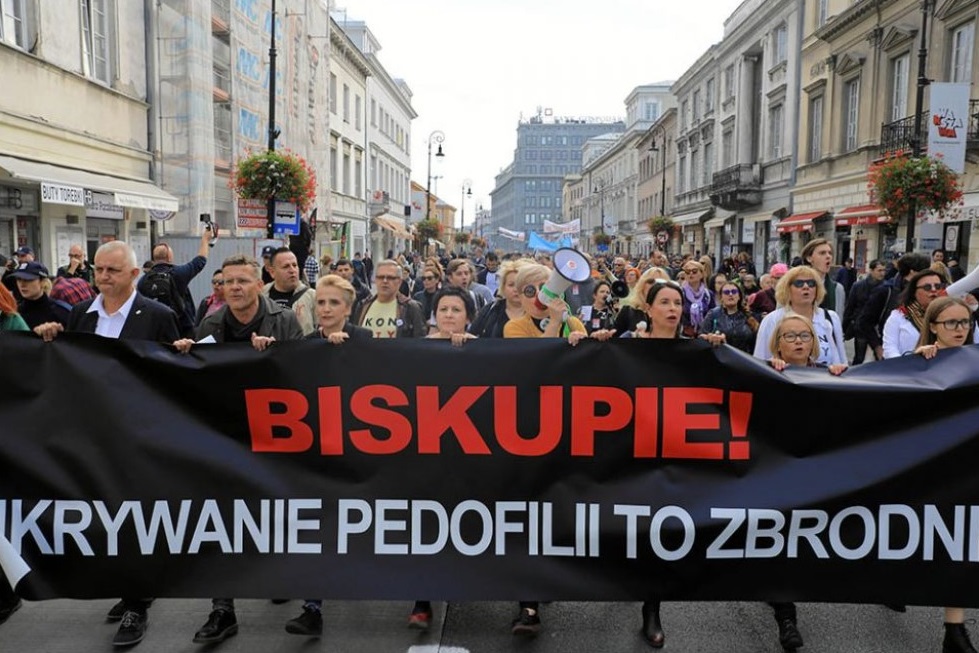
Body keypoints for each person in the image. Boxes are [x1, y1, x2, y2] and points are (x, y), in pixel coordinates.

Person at [34, 241, 179, 647]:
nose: (103, 277)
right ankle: (126, 587)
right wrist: (48, 337)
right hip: (93, 433)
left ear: (134, 275)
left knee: (134, 519)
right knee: (103, 515)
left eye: (113, 270)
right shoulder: (81, 314)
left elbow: (179, 372)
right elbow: (69, 362)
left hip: (140, 435)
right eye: (98, 269)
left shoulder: (158, 316)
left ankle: (137, 603)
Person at [173, 255, 302, 644]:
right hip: (227, 435)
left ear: (259, 284)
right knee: (222, 520)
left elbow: (305, 374)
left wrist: (276, 355)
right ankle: (222, 608)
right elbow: (199, 378)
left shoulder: (284, 320)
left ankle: (279, 573)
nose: (233, 288)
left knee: (273, 513)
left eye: (242, 281)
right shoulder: (211, 323)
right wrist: (184, 353)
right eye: (227, 282)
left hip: (276, 434)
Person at [909, 295, 977, 653]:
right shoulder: (917, 362)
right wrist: (916, 364)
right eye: (950, 323)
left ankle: (955, 628)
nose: (959, 330)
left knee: (963, 542)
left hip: (969, 466)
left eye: (964, 322)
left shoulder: (976, 361)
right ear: (933, 326)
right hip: (930, 468)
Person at [753, 266, 847, 366]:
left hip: (826, 380)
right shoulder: (772, 320)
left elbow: (842, 360)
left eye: (811, 283)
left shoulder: (831, 318)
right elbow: (760, 362)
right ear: (787, 289)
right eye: (799, 283)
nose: (806, 287)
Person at [881, 269, 978, 357]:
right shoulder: (899, 316)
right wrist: (911, 361)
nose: (934, 290)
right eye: (927, 287)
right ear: (914, 291)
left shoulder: (960, 314)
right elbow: (890, 350)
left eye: (938, 286)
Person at [854, 253, 931, 360]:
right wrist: (877, 347)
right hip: (889, 354)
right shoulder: (886, 291)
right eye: (924, 272)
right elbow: (865, 321)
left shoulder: (924, 292)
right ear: (912, 272)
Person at [138, 228, 213, 336]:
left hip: (155, 330)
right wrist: (205, 240)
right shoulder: (179, 273)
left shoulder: (143, 280)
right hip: (182, 328)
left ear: (154, 259)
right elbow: (201, 261)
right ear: (169, 257)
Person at [354, 259, 426, 338]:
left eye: (390, 277)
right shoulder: (363, 305)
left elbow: (420, 342)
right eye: (380, 277)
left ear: (399, 281)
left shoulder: (411, 308)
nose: (385, 281)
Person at [766, 314, 847, 376]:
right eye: (790, 336)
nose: (798, 341)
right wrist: (768, 367)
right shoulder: (768, 371)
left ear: (813, 342)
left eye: (805, 336)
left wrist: (838, 375)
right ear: (778, 344)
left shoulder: (825, 373)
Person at [262, 247, 316, 336]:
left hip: (300, 348)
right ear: (272, 272)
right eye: (286, 266)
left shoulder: (313, 296)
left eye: (294, 265)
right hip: (270, 349)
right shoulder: (261, 296)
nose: (292, 270)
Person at [842, 259, 886, 364]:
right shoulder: (858, 286)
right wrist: (844, 328)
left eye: (884, 270)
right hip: (861, 326)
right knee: (859, 357)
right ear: (871, 270)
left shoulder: (886, 288)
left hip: (878, 328)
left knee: (879, 356)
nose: (882, 273)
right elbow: (850, 307)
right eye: (879, 270)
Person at [470, 259, 526, 338]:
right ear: (503, 287)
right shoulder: (490, 310)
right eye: (511, 285)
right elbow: (472, 336)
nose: (516, 289)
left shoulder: (539, 312)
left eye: (520, 284)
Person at [698, 281, 758, 353]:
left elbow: (756, 342)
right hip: (720, 358)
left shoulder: (748, 316)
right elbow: (701, 336)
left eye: (734, 291)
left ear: (739, 296)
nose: (730, 294)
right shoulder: (713, 314)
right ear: (721, 297)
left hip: (744, 360)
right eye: (726, 292)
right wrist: (710, 337)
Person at [11, 262, 71, 330]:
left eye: (28, 280)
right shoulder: (14, 313)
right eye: (18, 279)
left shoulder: (61, 311)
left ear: (43, 282)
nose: (22, 285)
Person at [614, 267, 671, 333]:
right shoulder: (627, 311)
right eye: (651, 282)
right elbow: (614, 337)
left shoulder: (671, 314)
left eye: (660, 283)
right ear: (642, 284)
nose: (655, 286)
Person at [800, 238, 845, 315]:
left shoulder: (837, 288)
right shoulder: (794, 285)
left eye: (830, 253)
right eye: (822, 253)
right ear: (809, 258)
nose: (828, 256)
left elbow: (838, 320)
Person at [679, 260, 715, 338]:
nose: (691, 274)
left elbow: (713, 316)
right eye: (687, 272)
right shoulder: (680, 293)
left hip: (704, 335)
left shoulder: (708, 294)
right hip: (684, 336)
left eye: (694, 271)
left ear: (702, 274)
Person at [412, 263, 444, 331]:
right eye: (423, 278)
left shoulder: (443, 296)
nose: (426, 281)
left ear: (437, 280)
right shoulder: (417, 296)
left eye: (429, 278)